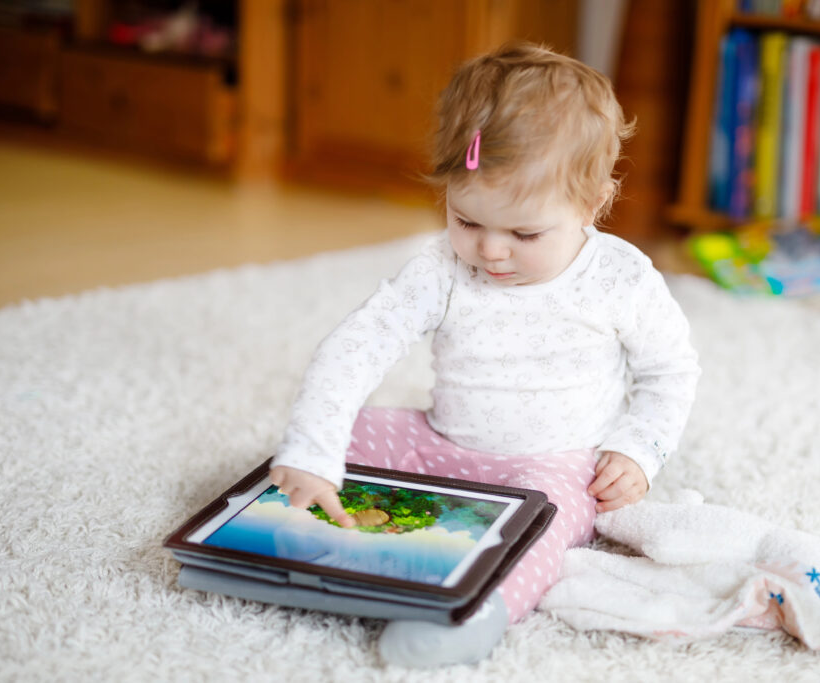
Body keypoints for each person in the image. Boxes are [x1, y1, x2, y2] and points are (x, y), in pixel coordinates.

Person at [269, 42, 700, 667]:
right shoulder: (440, 268)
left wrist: (638, 449)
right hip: (442, 444)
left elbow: (670, 372)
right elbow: (356, 348)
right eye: (467, 220)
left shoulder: (620, 279)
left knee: (545, 529)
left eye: (524, 234)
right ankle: (287, 539)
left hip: (555, 465)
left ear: (592, 203)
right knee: (344, 435)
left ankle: (472, 612)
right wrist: (313, 449)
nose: (491, 252)